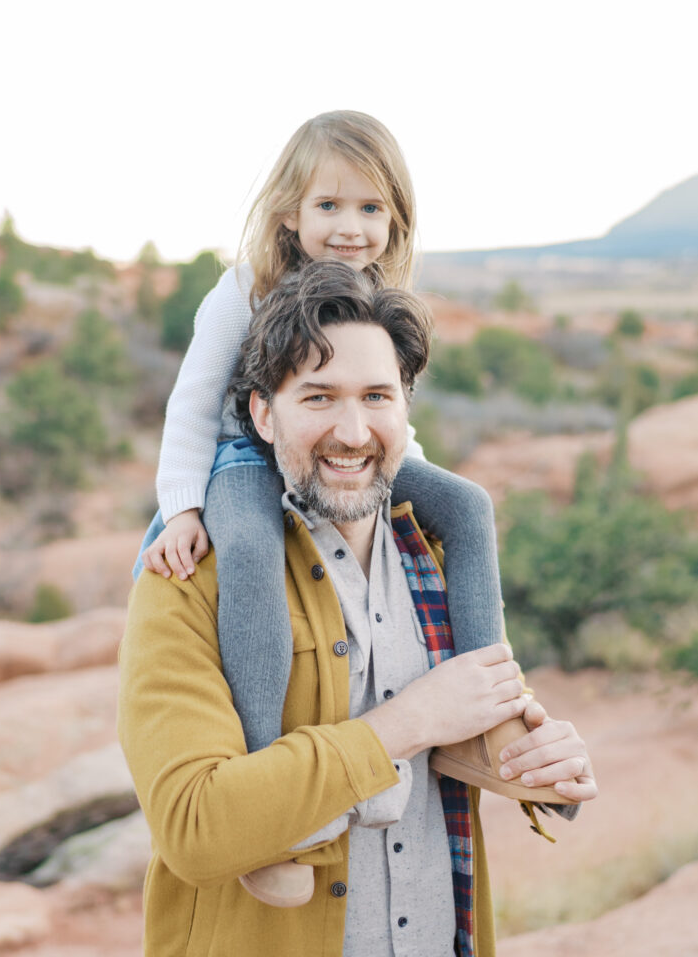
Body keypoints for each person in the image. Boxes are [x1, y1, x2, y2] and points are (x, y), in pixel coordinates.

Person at [118, 261, 597, 957]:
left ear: (405, 408)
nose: (352, 431)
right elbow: (194, 827)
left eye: (376, 396)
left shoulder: (440, 561)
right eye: (318, 398)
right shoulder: (191, 578)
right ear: (263, 413)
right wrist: (406, 722)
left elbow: (476, 727)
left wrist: (549, 767)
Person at [135, 110, 502, 766]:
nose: (350, 227)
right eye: (329, 205)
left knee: (468, 505)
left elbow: (382, 407)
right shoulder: (244, 289)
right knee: (250, 548)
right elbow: (192, 401)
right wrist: (182, 507)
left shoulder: (374, 295)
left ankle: (487, 713)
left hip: (343, 451)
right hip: (246, 455)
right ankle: (261, 753)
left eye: (370, 208)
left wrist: (401, 468)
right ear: (289, 212)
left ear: (395, 219)